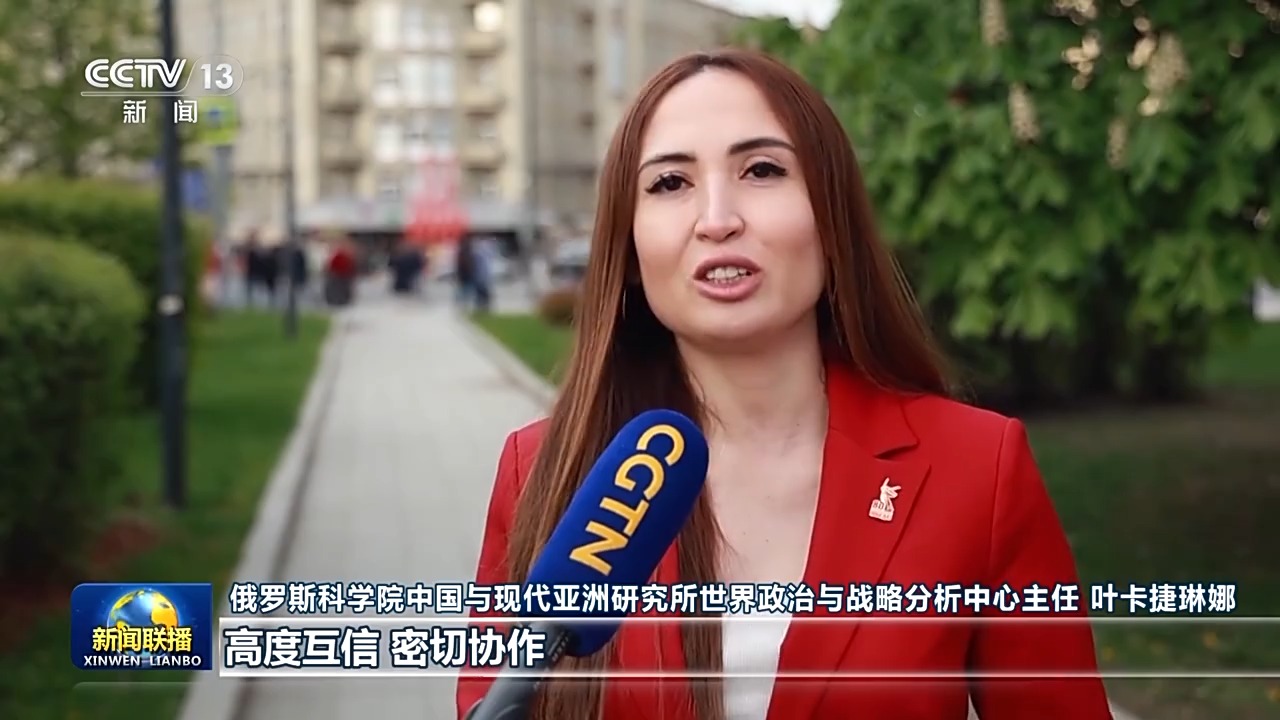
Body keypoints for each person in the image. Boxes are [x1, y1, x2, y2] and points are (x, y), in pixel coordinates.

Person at [457, 49, 1112, 720]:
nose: (717, 219)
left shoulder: (976, 467)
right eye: (670, 183)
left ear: (831, 218)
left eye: (762, 170)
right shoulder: (543, 471)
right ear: (627, 249)